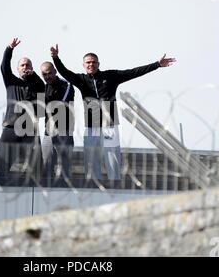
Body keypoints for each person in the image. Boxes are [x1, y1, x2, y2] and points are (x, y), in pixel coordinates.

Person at [50, 44, 175, 181]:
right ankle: (93, 185)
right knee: (91, 161)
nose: (91, 64)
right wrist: (56, 58)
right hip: (91, 127)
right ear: (83, 65)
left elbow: (134, 72)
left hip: (110, 125)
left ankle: (114, 183)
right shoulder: (81, 80)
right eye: (88, 62)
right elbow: (65, 72)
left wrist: (157, 64)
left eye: (93, 62)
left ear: (98, 64)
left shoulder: (111, 76)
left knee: (112, 159)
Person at [0, 38, 45, 183]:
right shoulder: (11, 82)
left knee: (36, 165)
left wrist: (33, 76)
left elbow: (42, 89)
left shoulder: (37, 85)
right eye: (22, 65)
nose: (25, 67)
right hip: (11, 128)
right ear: (18, 69)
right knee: (2, 162)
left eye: (28, 65)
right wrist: (9, 48)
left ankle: (34, 191)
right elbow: (4, 66)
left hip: (30, 130)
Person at [40, 62, 75, 183]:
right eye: (44, 74)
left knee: (64, 167)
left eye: (50, 73)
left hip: (64, 131)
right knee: (45, 165)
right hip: (48, 132)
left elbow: (57, 105)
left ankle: (64, 190)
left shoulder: (66, 85)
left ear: (55, 71)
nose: (47, 76)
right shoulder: (44, 87)